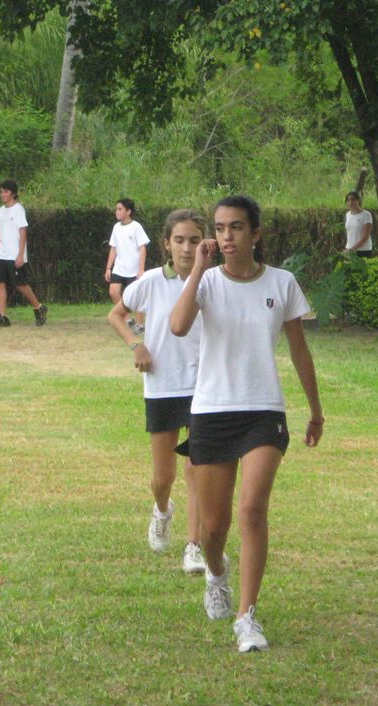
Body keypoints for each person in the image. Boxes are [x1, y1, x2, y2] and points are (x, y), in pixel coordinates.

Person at [170, 195, 324, 653]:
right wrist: (198, 269)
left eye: (236, 227)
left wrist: (315, 410)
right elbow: (178, 326)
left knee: (252, 509)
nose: (226, 236)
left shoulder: (282, 282)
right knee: (213, 529)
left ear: (255, 233)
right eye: (219, 228)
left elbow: (299, 350)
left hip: (263, 410)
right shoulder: (206, 281)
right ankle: (217, 574)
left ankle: (247, 616)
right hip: (212, 410)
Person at [107, 209, 207, 574]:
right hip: (163, 385)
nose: (186, 248)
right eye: (179, 240)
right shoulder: (150, 282)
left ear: (205, 244)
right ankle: (162, 510)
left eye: (194, 240)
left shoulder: (212, 281)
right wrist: (138, 345)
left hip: (205, 388)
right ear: (167, 244)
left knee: (198, 469)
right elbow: (117, 315)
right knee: (163, 477)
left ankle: (194, 545)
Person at [0, 179, 48, 327]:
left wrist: (20, 254)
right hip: (2, 253)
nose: (2, 195)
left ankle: (38, 307)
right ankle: (2, 316)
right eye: (1, 192)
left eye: (6, 192)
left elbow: (23, 232)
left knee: (20, 284)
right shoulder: (0, 211)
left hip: (14, 253)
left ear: (13, 194)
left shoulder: (18, 209)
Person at [104, 198, 149, 334]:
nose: (117, 212)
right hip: (119, 268)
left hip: (134, 270)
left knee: (136, 298)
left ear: (128, 211)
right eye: (116, 209)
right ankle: (129, 320)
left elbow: (142, 248)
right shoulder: (116, 227)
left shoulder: (136, 227)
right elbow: (113, 248)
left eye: (120, 209)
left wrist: (141, 268)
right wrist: (108, 268)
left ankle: (140, 325)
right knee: (113, 292)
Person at [343, 190, 373, 257]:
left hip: (363, 250)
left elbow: (365, 237)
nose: (351, 202)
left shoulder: (366, 215)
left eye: (353, 200)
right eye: (348, 200)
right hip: (349, 249)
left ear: (358, 201)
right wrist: (349, 249)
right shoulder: (348, 214)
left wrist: (352, 249)